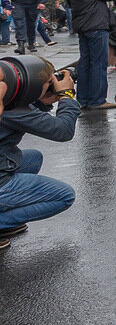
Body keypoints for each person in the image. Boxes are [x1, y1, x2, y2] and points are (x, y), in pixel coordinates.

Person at [0, 58, 79, 250]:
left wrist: (42, 103)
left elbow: (25, 117)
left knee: (34, 157)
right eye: (48, 83)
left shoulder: (7, 98)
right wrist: (67, 96)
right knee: (64, 195)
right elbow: (62, 131)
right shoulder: (14, 110)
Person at [64, 0, 116, 110]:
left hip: (83, 27)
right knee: (98, 63)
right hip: (96, 26)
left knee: (85, 63)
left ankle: (83, 99)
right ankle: (97, 100)